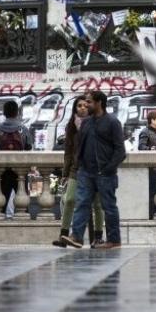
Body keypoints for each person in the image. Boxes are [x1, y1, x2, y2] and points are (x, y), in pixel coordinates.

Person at [58, 90, 126, 249]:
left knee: (108, 207)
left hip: (105, 173)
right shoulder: (86, 123)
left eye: (89, 102)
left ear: (99, 103)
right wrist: (79, 166)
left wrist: (108, 169)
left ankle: (114, 240)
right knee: (81, 203)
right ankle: (77, 237)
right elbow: (79, 147)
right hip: (85, 173)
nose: (86, 105)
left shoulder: (112, 122)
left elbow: (120, 151)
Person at [52, 97, 104, 247]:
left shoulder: (97, 124)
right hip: (76, 169)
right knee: (69, 200)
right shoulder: (71, 127)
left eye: (85, 105)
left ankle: (98, 237)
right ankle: (64, 236)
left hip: (95, 169)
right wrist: (65, 173)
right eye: (79, 106)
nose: (82, 108)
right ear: (75, 109)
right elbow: (68, 152)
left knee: (97, 204)